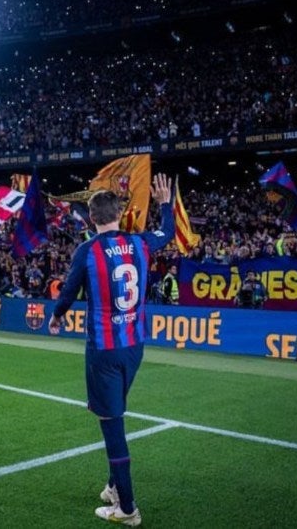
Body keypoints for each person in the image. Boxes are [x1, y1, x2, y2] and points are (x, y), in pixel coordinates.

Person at [48, 172, 175, 527]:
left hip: (103, 351)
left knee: (112, 425)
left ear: (92, 218)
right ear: (119, 213)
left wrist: (56, 317)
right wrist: (165, 205)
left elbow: (69, 292)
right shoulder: (141, 243)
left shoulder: (87, 251)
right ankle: (113, 486)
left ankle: (128, 508)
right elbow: (168, 233)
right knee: (115, 413)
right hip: (135, 346)